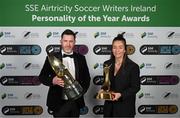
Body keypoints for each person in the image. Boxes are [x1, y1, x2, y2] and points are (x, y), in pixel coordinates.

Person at [39, 29, 91, 117]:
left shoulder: (81, 58)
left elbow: (87, 78)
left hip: (75, 102)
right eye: (65, 41)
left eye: (71, 41)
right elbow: (42, 77)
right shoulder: (52, 58)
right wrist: (52, 80)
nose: (68, 44)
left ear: (74, 42)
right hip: (58, 103)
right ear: (61, 41)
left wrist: (81, 92)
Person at [102, 34, 140, 117]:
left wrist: (121, 94)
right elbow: (106, 84)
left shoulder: (133, 67)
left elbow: (136, 87)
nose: (117, 50)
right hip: (109, 109)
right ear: (112, 49)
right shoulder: (106, 64)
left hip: (125, 109)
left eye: (120, 47)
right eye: (114, 47)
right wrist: (102, 90)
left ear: (125, 50)